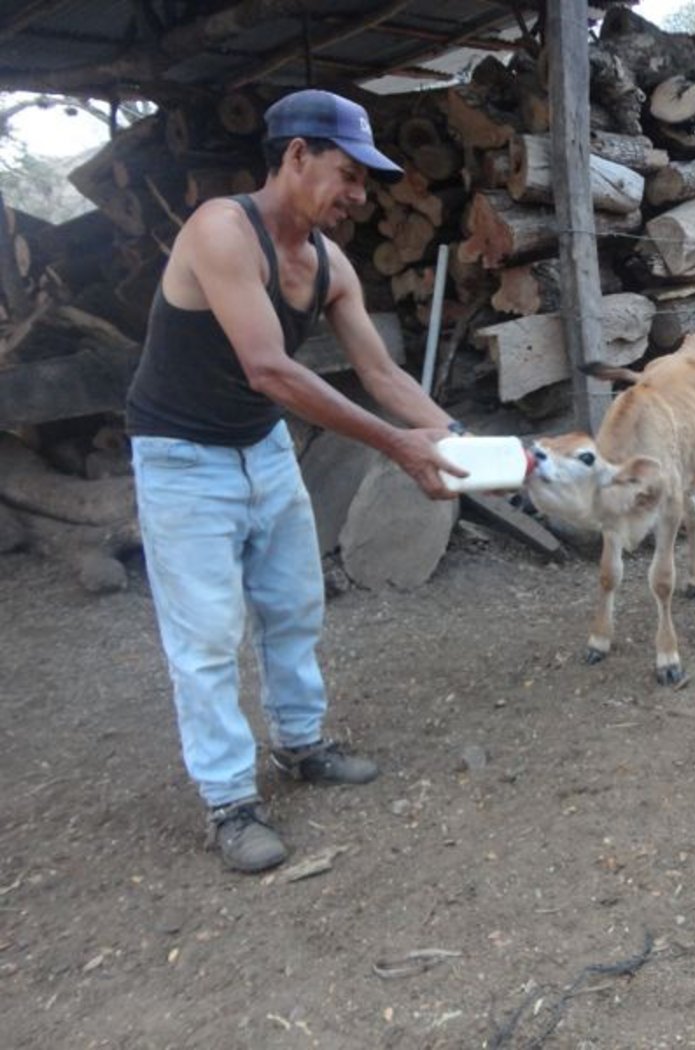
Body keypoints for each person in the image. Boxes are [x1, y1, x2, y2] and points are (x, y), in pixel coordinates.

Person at [126, 89, 467, 873]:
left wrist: (467, 448)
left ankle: (300, 742)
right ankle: (229, 801)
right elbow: (269, 369)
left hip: (261, 445)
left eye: (364, 182)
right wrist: (398, 446)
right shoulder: (221, 230)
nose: (358, 196)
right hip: (182, 456)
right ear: (296, 156)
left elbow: (383, 374)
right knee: (208, 637)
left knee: (294, 604)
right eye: (348, 174)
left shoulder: (328, 264)